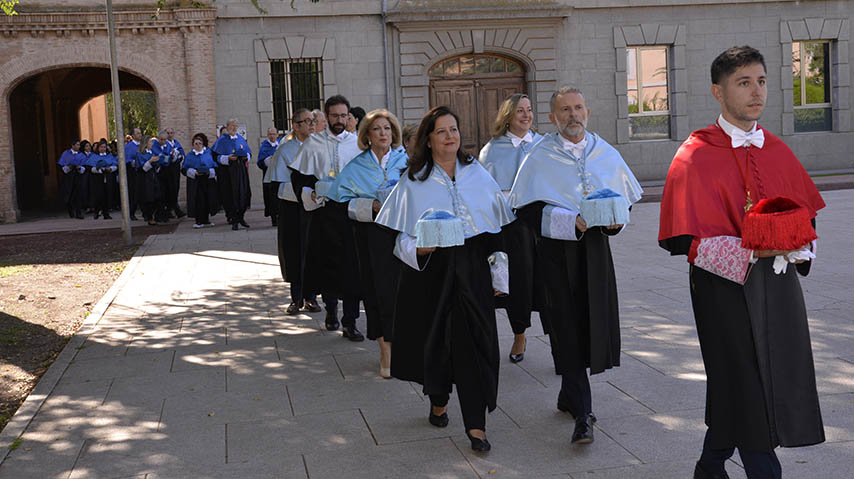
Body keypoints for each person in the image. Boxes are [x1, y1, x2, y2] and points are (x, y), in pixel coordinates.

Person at [658, 46, 826, 479]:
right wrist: (754, 250)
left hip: (777, 284)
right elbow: (686, 240)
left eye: (762, 81)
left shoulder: (776, 148)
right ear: (718, 91)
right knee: (745, 378)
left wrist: (795, 244)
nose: (757, 92)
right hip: (722, 291)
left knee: (767, 376)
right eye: (744, 82)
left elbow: (805, 220)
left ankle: (710, 464)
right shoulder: (694, 154)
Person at [509, 86, 643, 445]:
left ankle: (570, 395)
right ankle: (584, 412)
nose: (573, 115)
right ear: (553, 118)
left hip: (596, 254)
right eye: (565, 110)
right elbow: (525, 211)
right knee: (566, 327)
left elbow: (623, 201)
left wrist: (616, 221)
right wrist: (570, 221)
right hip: (556, 256)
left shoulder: (605, 152)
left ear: (587, 111)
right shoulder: (539, 155)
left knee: (590, 324)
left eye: (578, 108)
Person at [376, 105, 514, 452]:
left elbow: (495, 231)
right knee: (435, 345)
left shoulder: (477, 172)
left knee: (473, 346)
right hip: (431, 275)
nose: (451, 136)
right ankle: (438, 400)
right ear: (429, 139)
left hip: (472, 273)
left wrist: (500, 276)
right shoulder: (413, 179)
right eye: (442, 131)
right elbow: (395, 239)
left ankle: (476, 425)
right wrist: (419, 252)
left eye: (454, 129)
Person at [327, 108, 408, 378]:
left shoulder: (406, 161)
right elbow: (338, 204)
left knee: (402, 293)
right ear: (367, 135)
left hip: (402, 234)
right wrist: (369, 205)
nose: (383, 133)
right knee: (376, 292)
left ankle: (404, 346)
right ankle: (385, 348)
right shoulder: (357, 166)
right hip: (371, 238)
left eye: (387, 128)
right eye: (377, 129)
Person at [290, 95, 364, 340]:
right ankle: (332, 312)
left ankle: (350, 321)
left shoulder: (357, 144)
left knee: (353, 268)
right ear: (326, 116)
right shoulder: (313, 143)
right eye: (335, 116)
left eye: (344, 115)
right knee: (329, 266)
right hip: (324, 213)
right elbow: (299, 177)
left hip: (351, 213)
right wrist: (310, 192)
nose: (340, 120)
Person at [479, 93, 544, 363]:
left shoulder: (544, 145)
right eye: (520, 111)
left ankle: (560, 341)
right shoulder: (492, 149)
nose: (526, 115)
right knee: (518, 283)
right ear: (508, 115)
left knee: (550, 283)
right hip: (512, 228)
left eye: (529, 110)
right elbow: (484, 190)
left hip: (545, 224)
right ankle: (520, 334)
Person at [267, 109, 321, 315]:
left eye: (312, 121)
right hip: (293, 209)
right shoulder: (286, 150)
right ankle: (296, 298)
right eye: (306, 121)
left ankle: (312, 297)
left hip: (315, 209)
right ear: (295, 126)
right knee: (294, 251)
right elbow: (278, 183)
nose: (311, 124)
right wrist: (303, 192)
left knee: (313, 251)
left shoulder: (320, 147)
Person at [213, 119, 253, 230]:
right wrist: (227, 158)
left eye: (236, 126)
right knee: (230, 195)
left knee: (244, 194)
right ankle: (233, 219)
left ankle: (241, 217)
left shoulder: (240, 138)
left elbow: (249, 153)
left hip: (240, 170)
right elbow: (215, 156)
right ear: (227, 126)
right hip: (228, 172)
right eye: (232, 126)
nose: (234, 128)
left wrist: (246, 157)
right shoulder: (221, 140)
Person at [183, 133, 219, 228]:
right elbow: (184, 168)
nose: (198, 145)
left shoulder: (208, 153)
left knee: (208, 199)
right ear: (193, 144)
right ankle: (198, 220)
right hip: (196, 181)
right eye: (196, 143)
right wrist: (191, 171)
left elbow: (214, 165)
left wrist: (211, 171)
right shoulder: (190, 155)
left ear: (203, 144)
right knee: (198, 200)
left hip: (207, 180)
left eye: (200, 143)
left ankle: (206, 219)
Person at [135, 136, 166, 225]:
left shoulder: (152, 152)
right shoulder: (140, 154)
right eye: (150, 142)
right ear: (145, 143)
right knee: (148, 198)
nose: (152, 144)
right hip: (145, 179)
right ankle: (149, 217)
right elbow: (143, 169)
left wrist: (158, 164)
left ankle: (156, 216)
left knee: (158, 196)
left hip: (153, 177)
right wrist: (150, 161)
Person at [87, 141, 117, 220]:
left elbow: (115, 165)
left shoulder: (109, 156)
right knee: (98, 196)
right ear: (98, 148)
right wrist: (99, 170)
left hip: (108, 177)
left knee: (108, 195)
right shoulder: (94, 156)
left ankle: (106, 213)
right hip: (97, 178)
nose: (103, 149)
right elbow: (89, 168)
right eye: (101, 147)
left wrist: (110, 169)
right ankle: (96, 212)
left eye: (104, 147)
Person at [57, 139, 86, 219]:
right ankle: (70, 208)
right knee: (69, 194)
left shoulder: (81, 155)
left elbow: (84, 167)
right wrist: (68, 167)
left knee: (78, 194)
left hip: (78, 175)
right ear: (72, 145)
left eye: (79, 145)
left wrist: (79, 167)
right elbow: (62, 166)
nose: (78, 146)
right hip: (68, 176)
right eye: (77, 145)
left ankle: (78, 212)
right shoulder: (66, 153)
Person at [258, 126, 280, 227]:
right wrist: (268, 160)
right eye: (270, 134)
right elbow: (260, 161)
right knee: (271, 198)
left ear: (277, 135)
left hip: (280, 175)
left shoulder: (280, 145)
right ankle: (273, 218)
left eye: (274, 134)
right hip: (269, 175)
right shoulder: (264, 146)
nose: (272, 136)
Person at [164, 128, 186, 219]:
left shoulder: (176, 143)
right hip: (167, 168)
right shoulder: (164, 144)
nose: (170, 135)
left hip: (176, 168)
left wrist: (179, 155)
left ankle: (173, 208)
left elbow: (182, 152)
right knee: (169, 188)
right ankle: (172, 208)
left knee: (176, 187)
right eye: (168, 133)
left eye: (171, 133)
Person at [123, 128, 143, 220]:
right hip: (133, 172)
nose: (140, 135)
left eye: (140, 133)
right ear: (133, 135)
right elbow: (126, 159)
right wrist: (133, 162)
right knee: (133, 193)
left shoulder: (143, 145)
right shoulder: (129, 146)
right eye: (138, 133)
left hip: (143, 171)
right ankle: (131, 212)